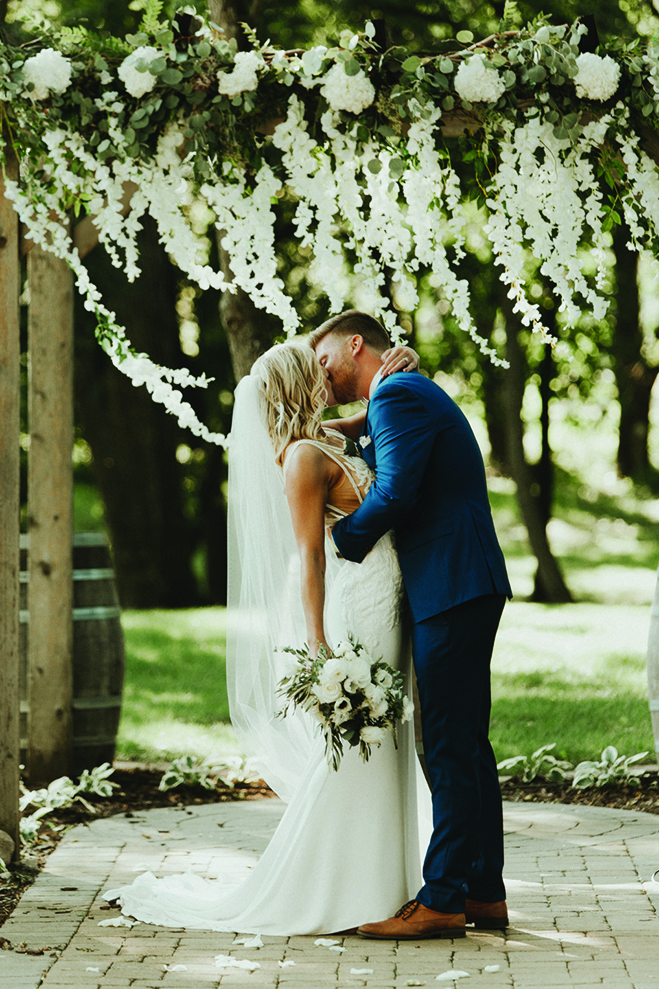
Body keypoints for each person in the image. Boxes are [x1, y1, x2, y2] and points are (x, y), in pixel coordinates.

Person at [103, 339, 432, 936]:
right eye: (316, 370)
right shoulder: (303, 459)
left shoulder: (327, 440)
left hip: (387, 596)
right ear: (299, 384)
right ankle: (336, 887)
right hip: (357, 606)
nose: (328, 373)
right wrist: (317, 642)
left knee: (390, 738)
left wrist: (390, 374)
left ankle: (391, 882)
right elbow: (309, 557)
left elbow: (364, 423)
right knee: (363, 741)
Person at [311, 310, 512, 940]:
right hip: (463, 581)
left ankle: (444, 898)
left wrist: (340, 539)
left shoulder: (397, 391)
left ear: (354, 344)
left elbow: (395, 492)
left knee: (448, 743)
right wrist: (327, 421)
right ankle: (484, 891)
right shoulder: (398, 394)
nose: (321, 374)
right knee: (467, 745)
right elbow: (376, 439)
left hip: (451, 585)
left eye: (324, 361)